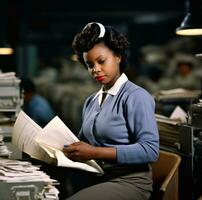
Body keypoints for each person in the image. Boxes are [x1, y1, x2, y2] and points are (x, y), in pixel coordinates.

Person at [62, 22, 159, 200]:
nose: (95, 69)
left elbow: (150, 150)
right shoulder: (91, 100)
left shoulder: (136, 96)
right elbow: (83, 142)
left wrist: (95, 152)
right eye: (89, 64)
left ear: (118, 57)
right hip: (98, 176)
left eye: (101, 61)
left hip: (130, 182)